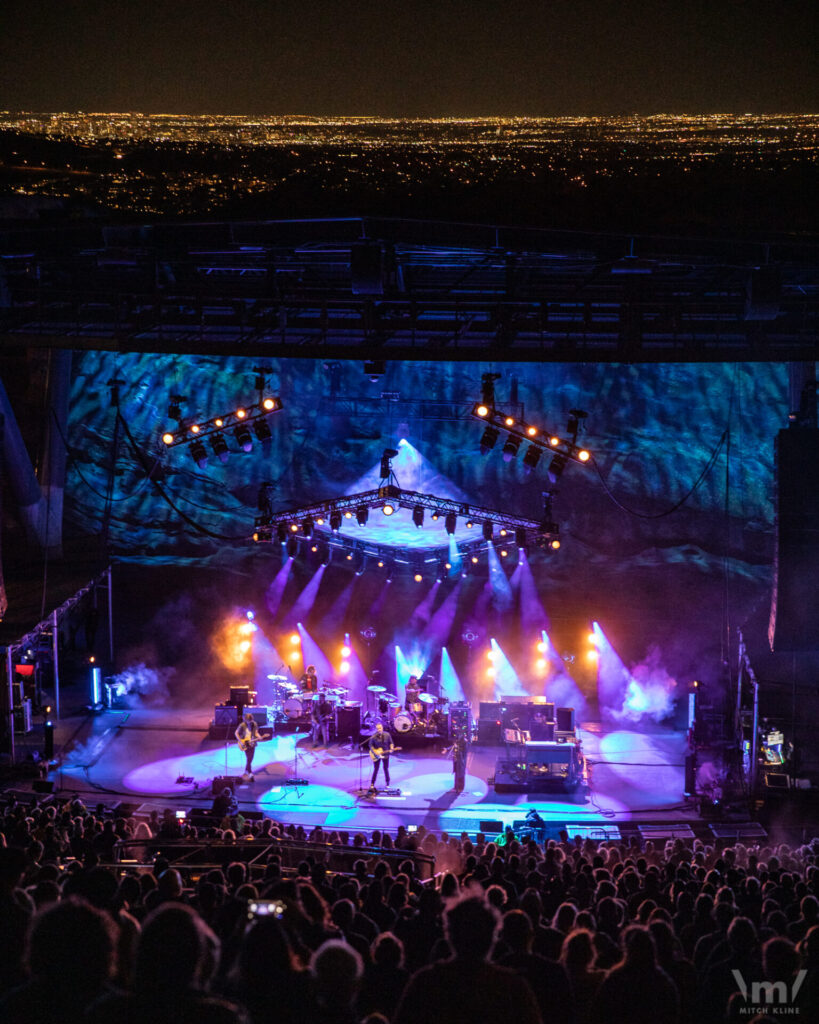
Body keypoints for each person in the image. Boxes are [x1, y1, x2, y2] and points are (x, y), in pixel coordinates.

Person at [368, 722, 395, 793]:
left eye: (380, 728)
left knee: (385, 768)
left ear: (382, 728)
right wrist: (375, 753)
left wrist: (392, 748)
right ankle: (372, 783)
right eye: (377, 729)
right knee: (376, 769)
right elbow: (370, 745)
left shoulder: (387, 735)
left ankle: (387, 782)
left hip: (385, 754)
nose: (379, 730)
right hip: (377, 755)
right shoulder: (373, 736)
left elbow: (391, 743)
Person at [235, 712, 261, 779]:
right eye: (248, 721)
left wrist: (259, 736)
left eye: (250, 721)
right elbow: (236, 733)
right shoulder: (242, 725)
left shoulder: (254, 724)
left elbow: (256, 733)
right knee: (249, 758)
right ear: (245, 720)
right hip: (245, 743)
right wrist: (240, 741)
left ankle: (247, 770)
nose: (249, 722)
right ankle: (250, 772)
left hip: (252, 743)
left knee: (251, 758)